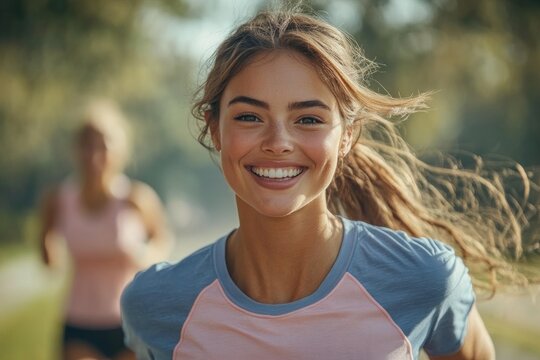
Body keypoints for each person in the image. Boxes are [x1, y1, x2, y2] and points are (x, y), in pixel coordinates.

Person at [121, 9, 535, 360]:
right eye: (249, 116)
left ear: (347, 136)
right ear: (215, 129)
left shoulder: (425, 279)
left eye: (309, 119)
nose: (278, 143)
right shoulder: (157, 305)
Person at [40, 99, 172, 360]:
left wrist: (144, 257)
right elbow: (46, 250)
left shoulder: (136, 198)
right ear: (76, 150)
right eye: (86, 145)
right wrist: (48, 250)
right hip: (79, 321)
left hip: (129, 320)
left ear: (119, 151)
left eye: (102, 145)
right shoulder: (58, 200)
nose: (94, 155)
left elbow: (162, 240)